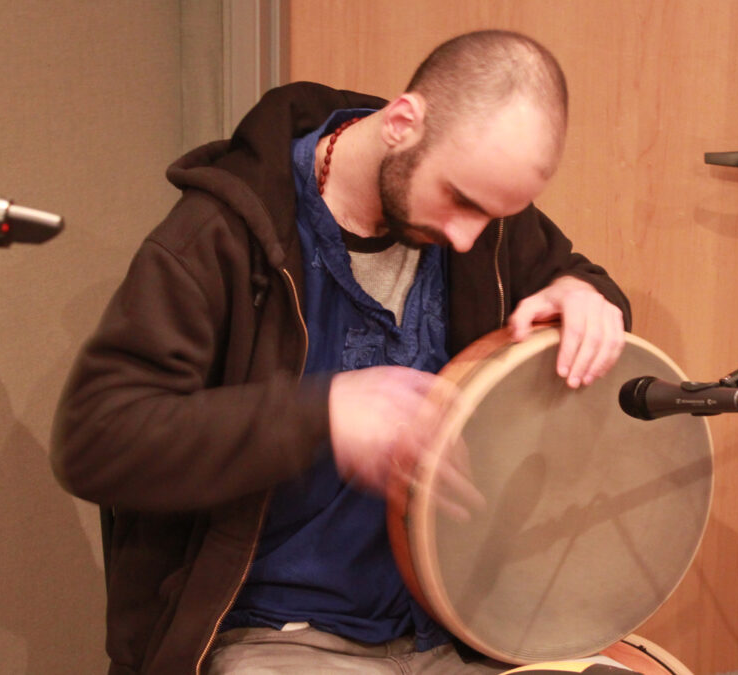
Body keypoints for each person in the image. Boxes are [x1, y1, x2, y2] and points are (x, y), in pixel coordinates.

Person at [52, 30, 631, 674]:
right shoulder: (218, 237)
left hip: (462, 625)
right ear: (404, 123)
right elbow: (96, 438)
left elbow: (569, 276)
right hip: (278, 634)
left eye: (494, 216)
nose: (469, 238)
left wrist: (588, 295)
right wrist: (320, 412)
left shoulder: (485, 219)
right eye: (461, 201)